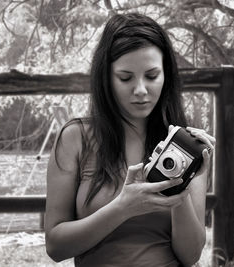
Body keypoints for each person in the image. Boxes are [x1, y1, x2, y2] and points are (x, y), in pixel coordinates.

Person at [44, 13, 215, 267]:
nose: (141, 90)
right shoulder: (75, 138)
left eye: (152, 75)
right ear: (106, 77)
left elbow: (190, 256)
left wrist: (181, 188)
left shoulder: (185, 146)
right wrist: (123, 207)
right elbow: (56, 246)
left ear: (166, 74)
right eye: (125, 78)